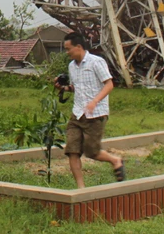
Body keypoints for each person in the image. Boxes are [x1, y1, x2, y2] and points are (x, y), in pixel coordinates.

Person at [53, 32, 125, 188]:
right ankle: (81, 188)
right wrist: (64, 88)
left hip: (96, 114)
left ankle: (115, 160)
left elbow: (109, 85)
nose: (67, 52)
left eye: (68, 49)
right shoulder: (72, 66)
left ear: (78, 47)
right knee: (72, 150)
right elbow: (77, 87)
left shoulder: (96, 62)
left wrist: (94, 101)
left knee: (92, 152)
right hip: (77, 113)